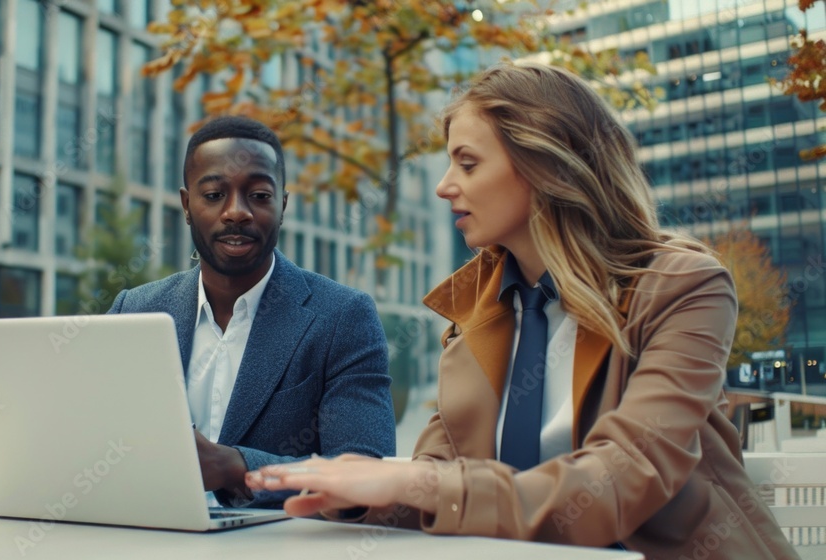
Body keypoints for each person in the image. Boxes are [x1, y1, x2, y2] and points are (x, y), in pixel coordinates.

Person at [246, 62, 799, 559]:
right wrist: (354, 493)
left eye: (467, 163)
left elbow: (624, 479)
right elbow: (441, 484)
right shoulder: (476, 308)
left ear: (546, 168)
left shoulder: (684, 289)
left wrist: (416, 486)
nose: (444, 187)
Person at [107, 115, 396, 508]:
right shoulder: (133, 312)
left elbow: (366, 474)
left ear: (283, 205)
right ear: (186, 204)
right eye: (213, 195)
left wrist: (238, 467)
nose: (236, 212)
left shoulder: (343, 317)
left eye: (259, 196)